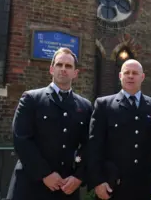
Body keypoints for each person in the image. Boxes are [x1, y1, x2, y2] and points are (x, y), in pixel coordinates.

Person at [9, 47, 92, 200]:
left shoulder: (85, 106)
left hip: (66, 187)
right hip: (31, 186)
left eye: (68, 66)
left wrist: (79, 176)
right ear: (51, 69)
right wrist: (44, 173)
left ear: (76, 73)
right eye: (59, 65)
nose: (63, 69)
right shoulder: (31, 99)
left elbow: (89, 145)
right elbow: (21, 139)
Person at [87, 59, 151, 200]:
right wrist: (97, 181)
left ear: (142, 77)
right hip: (112, 184)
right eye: (127, 72)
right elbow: (94, 145)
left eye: (135, 73)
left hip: (142, 185)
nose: (130, 76)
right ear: (120, 76)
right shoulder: (104, 105)